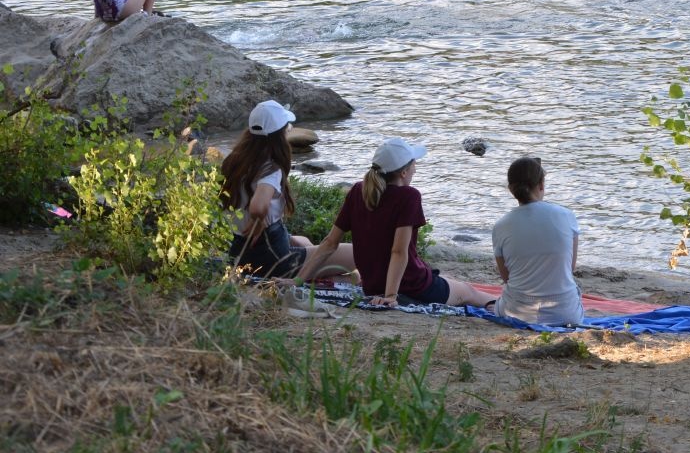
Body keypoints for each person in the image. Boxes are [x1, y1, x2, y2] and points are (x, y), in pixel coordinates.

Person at [296, 138, 495, 308]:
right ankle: (499, 305)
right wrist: (391, 296)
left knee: (446, 279)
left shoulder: (358, 191)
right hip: (411, 284)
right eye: (414, 164)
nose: (415, 169)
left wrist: (297, 280)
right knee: (468, 292)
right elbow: (398, 251)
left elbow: (330, 242)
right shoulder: (408, 196)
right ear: (404, 172)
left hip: (372, 285)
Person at [221, 100, 356, 279]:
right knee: (358, 253)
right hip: (274, 261)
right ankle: (324, 279)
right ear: (279, 134)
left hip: (241, 253)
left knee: (303, 241)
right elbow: (258, 206)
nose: (289, 130)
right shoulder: (270, 168)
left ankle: (323, 276)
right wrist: (258, 221)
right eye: (288, 127)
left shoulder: (234, 162)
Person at [492, 157, 585, 325]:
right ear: (541, 185)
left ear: (511, 190)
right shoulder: (566, 215)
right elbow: (569, 268)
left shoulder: (500, 226)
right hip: (566, 313)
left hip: (517, 313)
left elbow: (507, 278)